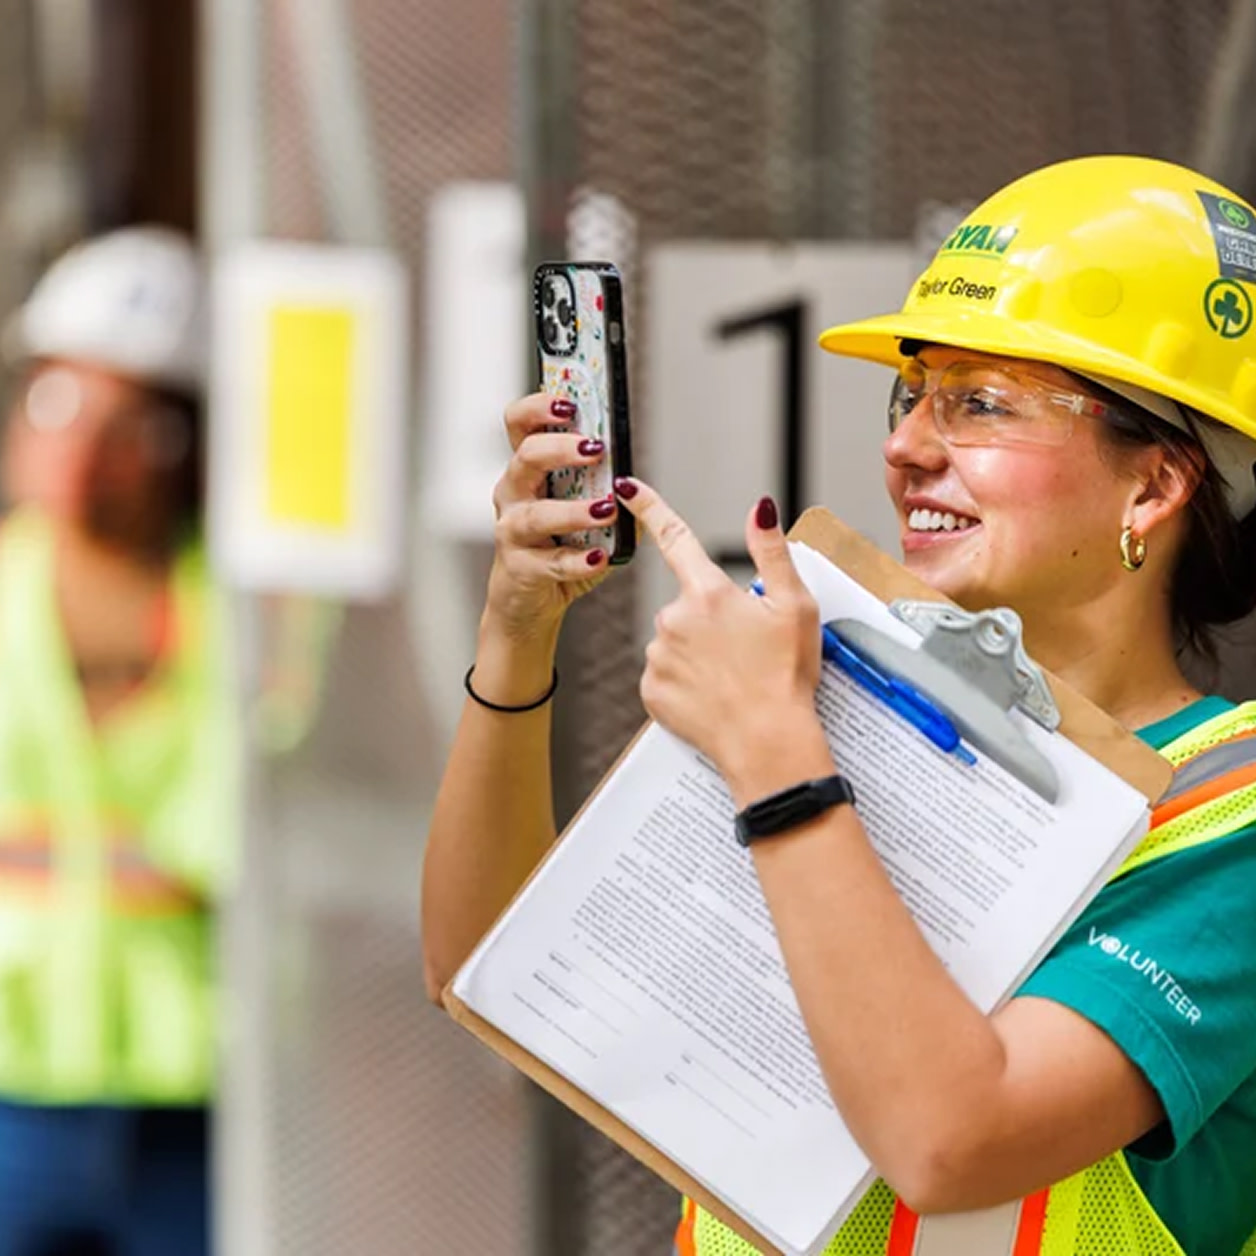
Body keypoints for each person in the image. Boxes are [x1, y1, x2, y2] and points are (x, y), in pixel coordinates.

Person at [422, 156, 1256, 1256]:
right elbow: (489, 967)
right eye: (910, 394)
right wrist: (517, 626)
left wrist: (774, 757)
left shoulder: (1223, 816)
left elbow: (950, 1138)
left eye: (979, 404)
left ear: (1152, 484)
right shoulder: (829, 692)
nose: (906, 445)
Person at [0, 227, 236, 1256]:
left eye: (136, 423)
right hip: (13, 1095)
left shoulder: (247, 620)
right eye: (60, 405)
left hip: (198, 1097)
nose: (86, 449)